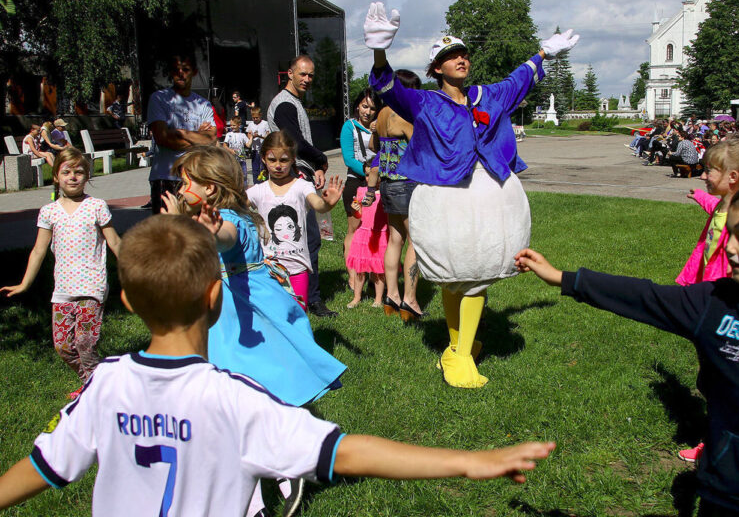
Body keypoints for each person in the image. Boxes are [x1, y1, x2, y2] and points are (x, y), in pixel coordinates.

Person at [0, 214, 556, 516]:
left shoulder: (102, 386)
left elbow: (45, 468)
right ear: (216, 297)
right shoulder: (238, 397)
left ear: (126, 303)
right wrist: (468, 462)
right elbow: (347, 451)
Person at [516, 177, 739, 517]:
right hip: (725, 489)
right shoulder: (714, 301)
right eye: (729, 233)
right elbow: (645, 297)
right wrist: (564, 278)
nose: (728, 246)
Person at [365, 1, 579, 387]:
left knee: (475, 275)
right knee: (455, 277)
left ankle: (459, 350)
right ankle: (460, 352)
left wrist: (544, 52)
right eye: (450, 56)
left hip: (489, 194)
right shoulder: (426, 102)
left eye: (463, 53)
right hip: (446, 199)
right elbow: (388, 88)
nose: (460, 59)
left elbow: (520, 79)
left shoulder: (488, 96)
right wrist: (379, 49)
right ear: (437, 69)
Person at [163, 145, 346, 515]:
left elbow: (227, 238)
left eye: (187, 182)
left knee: (237, 407)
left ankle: (286, 467)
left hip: (244, 316)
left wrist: (212, 233)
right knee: (229, 411)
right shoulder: (202, 217)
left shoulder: (229, 219)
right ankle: (261, 497)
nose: (180, 188)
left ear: (210, 189)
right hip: (218, 317)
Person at [1, 147, 121, 399]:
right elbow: (38, 251)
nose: (73, 177)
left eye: (79, 172)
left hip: (92, 287)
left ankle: (94, 392)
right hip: (63, 290)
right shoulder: (49, 212)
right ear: (56, 176)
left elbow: (115, 243)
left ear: (88, 176)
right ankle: (96, 381)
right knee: (64, 346)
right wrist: (24, 284)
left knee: (85, 342)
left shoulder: (96, 206)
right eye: (66, 172)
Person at [674, 139, 739, 463]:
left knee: (723, 378)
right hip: (713, 298)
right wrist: (702, 197)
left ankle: (718, 443)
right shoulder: (728, 203)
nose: (703, 174)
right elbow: (717, 211)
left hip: (728, 303)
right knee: (711, 373)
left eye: (710, 170)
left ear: (734, 177)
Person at [267, 55, 336, 317]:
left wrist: (316, 166)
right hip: (291, 179)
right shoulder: (284, 104)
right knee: (303, 239)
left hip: (299, 176)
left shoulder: (292, 102)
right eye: (302, 74)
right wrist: (320, 158)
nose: (307, 79)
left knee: (305, 239)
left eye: (311, 76)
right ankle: (310, 299)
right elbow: (295, 142)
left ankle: (303, 295)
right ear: (290, 74)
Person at [247, 132, 344, 310]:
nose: (277, 166)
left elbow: (317, 204)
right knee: (273, 318)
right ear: (263, 159)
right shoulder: (258, 191)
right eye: (272, 160)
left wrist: (327, 204)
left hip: (297, 268)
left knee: (297, 316)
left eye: (283, 160)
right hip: (269, 270)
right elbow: (233, 206)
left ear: (293, 159)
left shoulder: (302, 186)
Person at [368, 69, 425, 321]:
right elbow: (421, 146)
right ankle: (409, 300)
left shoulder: (381, 114)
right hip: (407, 182)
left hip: (387, 184)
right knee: (415, 241)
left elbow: (374, 146)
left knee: (394, 240)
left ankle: (391, 295)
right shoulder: (403, 115)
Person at [147, 52, 217, 214]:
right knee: (166, 232)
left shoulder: (203, 104)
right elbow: (162, 138)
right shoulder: (159, 99)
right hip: (166, 176)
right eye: (176, 69)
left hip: (195, 178)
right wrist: (197, 135)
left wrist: (177, 133)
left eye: (185, 69)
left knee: (195, 229)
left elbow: (211, 139)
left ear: (194, 72)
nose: (180, 73)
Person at [340, 88, 379, 292]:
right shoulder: (350, 127)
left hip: (375, 185)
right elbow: (348, 157)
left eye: (372, 108)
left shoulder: (378, 127)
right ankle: (353, 276)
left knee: (374, 231)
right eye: (365, 106)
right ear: (357, 106)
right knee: (354, 230)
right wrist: (365, 170)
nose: (368, 111)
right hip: (356, 183)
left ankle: (373, 276)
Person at [346, 179, 388, 309]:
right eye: (367, 174)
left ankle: (378, 299)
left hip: (380, 234)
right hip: (362, 234)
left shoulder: (386, 193)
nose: (370, 178)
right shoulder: (361, 191)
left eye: (373, 174)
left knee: (379, 270)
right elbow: (358, 215)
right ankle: (357, 297)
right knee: (359, 269)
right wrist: (354, 210)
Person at [245, 105, 270, 184]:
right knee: (255, 167)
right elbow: (248, 134)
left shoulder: (265, 123)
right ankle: (256, 183)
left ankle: (264, 182)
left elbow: (268, 135)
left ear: (260, 115)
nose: (255, 119)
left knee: (263, 167)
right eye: (253, 118)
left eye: (257, 117)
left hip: (263, 148)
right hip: (254, 148)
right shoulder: (251, 125)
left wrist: (259, 136)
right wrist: (251, 136)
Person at [222, 117, 250, 182]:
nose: (232, 127)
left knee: (244, 175)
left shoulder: (242, 135)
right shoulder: (229, 135)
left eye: (234, 125)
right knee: (233, 175)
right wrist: (231, 150)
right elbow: (224, 145)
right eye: (231, 125)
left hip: (242, 159)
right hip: (232, 159)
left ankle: (244, 189)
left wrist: (251, 137)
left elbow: (248, 145)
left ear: (239, 125)